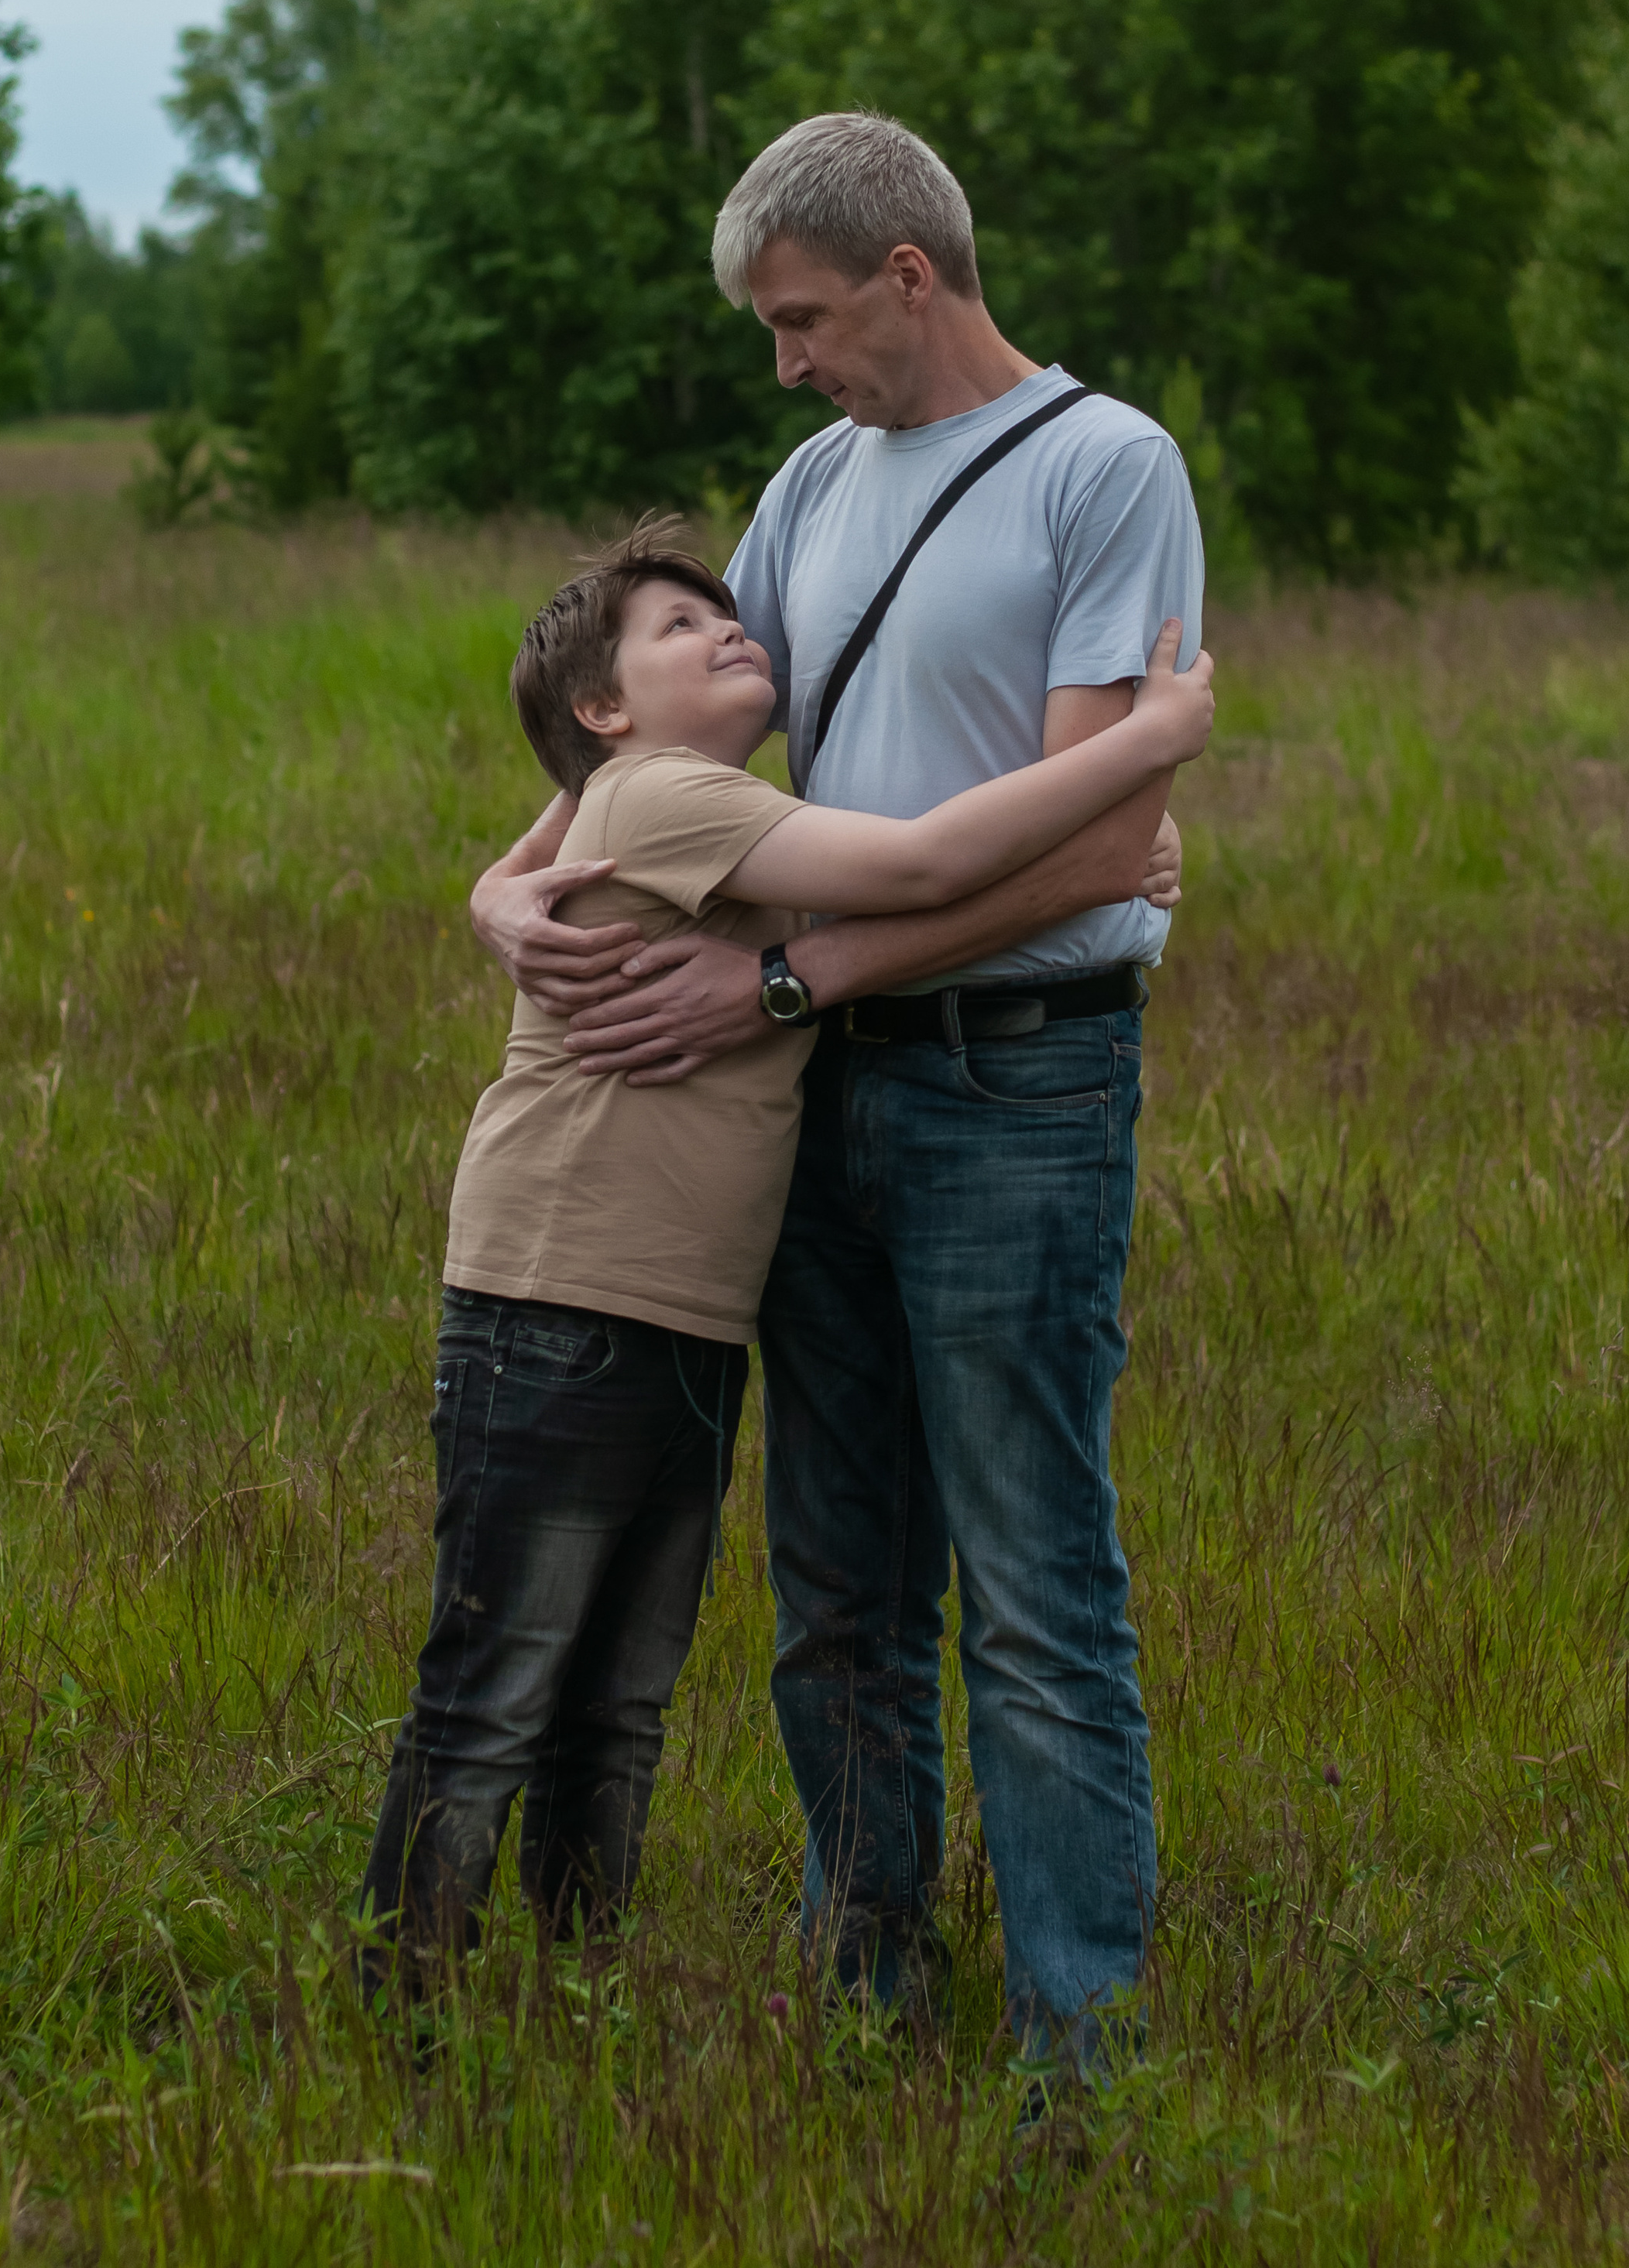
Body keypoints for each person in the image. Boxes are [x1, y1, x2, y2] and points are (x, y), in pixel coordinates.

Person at [470, 112, 1205, 2069]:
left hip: (1016, 1095)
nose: (783, 363)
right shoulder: (813, 482)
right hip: (810, 1113)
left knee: (1033, 1594)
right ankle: (862, 2001)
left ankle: (1079, 2057)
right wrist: (505, 880)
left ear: (906, 275)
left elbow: (1087, 839)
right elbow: (679, 729)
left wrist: (785, 968)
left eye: (802, 319)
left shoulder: (1103, 468)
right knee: (835, 1592)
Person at [361, 517, 1212, 1983]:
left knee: (621, 1700)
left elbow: (937, 886)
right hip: (556, 1293)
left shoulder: (710, 816)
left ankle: (577, 1998)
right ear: (604, 709)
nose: (730, 629)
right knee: (495, 1689)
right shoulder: (669, 798)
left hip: (680, 1313)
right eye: (680, 629)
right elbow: (940, 858)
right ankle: (400, 2004)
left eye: (727, 613)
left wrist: (1101, 862)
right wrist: (1151, 747)